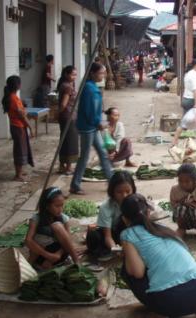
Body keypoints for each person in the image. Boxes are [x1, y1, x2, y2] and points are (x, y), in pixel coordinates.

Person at [119, 194, 196, 318]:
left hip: (171, 300)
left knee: (126, 271)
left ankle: (158, 305)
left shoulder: (128, 234)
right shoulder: (162, 228)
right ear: (148, 213)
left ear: (124, 219)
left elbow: (138, 273)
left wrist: (126, 257)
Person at [70, 63, 112, 195]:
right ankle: (75, 185)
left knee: (103, 153)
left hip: (92, 127)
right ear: (93, 73)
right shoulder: (89, 89)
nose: (103, 76)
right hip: (88, 127)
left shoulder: (93, 87)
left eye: (104, 73)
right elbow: (89, 111)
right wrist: (97, 123)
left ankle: (112, 181)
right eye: (101, 73)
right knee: (84, 157)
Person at [25, 187, 79, 269]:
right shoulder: (36, 218)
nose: (60, 209)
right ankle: (31, 265)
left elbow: (68, 241)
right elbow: (28, 241)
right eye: (57, 206)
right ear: (47, 206)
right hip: (43, 254)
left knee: (57, 226)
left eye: (62, 205)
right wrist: (49, 256)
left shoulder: (64, 218)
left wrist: (58, 254)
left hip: (59, 252)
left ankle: (77, 262)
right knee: (36, 241)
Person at [86, 171, 136, 259]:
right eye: (119, 192)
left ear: (133, 190)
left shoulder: (136, 202)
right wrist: (116, 249)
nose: (124, 195)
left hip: (127, 234)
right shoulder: (106, 207)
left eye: (128, 191)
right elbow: (107, 237)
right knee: (93, 235)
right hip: (112, 234)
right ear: (112, 191)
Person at [2, 75, 34, 182]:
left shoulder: (11, 97)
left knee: (21, 149)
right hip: (18, 127)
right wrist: (30, 127)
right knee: (20, 150)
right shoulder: (13, 99)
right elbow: (22, 115)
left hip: (16, 126)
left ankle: (19, 171)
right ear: (18, 85)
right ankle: (17, 174)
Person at [170, 163, 196, 241]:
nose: (183, 184)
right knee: (180, 208)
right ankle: (181, 229)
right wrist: (182, 202)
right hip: (183, 217)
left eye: (187, 181)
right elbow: (173, 205)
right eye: (180, 181)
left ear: (194, 180)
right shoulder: (175, 189)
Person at [172, 59, 196, 147]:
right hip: (193, 100)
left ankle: (174, 141)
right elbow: (195, 90)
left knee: (184, 122)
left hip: (186, 99)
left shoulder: (188, 74)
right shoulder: (194, 75)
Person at [57, 66, 79, 175]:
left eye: (75, 74)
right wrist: (60, 112)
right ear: (66, 74)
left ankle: (62, 165)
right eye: (73, 74)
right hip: (69, 117)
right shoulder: (67, 87)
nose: (74, 77)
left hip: (65, 117)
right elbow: (63, 104)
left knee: (64, 140)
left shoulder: (64, 85)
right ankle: (68, 167)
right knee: (70, 142)